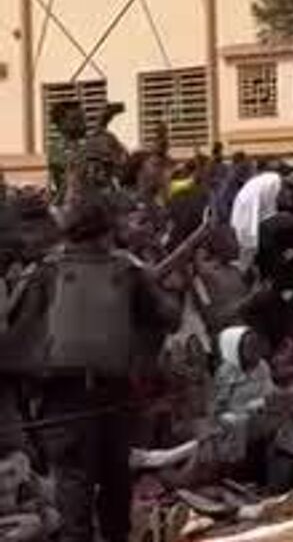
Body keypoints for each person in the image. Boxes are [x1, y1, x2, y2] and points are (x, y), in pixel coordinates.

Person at [9, 191, 180, 542]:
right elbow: (169, 316)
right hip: (115, 397)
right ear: (108, 230)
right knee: (116, 488)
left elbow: (18, 340)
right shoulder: (128, 270)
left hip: (62, 403)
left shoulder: (45, 273)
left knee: (74, 495)